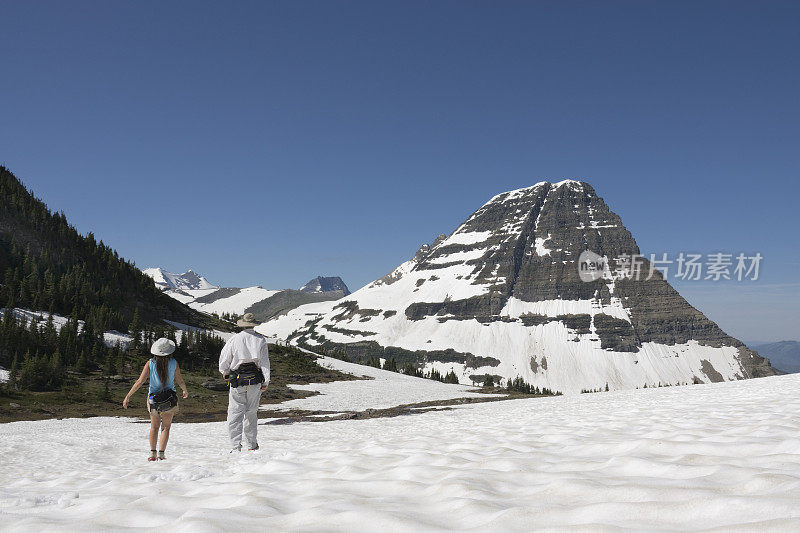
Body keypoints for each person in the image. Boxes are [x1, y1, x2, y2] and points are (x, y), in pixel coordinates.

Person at [123, 337, 188, 461]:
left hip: (153, 399)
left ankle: (152, 454)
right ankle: (161, 454)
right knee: (166, 427)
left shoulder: (150, 363)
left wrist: (128, 396)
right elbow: (179, 379)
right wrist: (184, 389)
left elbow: (140, 381)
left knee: (154, 427)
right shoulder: (174, 362)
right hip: (169, 399)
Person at [219, 313, 270, 452]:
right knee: (251, 413)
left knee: (235, 413)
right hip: (255, 379)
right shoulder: (261, 340)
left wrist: (225, 372)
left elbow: (224, 359)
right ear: (254, 324)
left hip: (237, 379)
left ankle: (235, 446)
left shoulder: (234, 339)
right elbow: (265, 362)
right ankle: (252, 445)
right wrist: (266, 381)